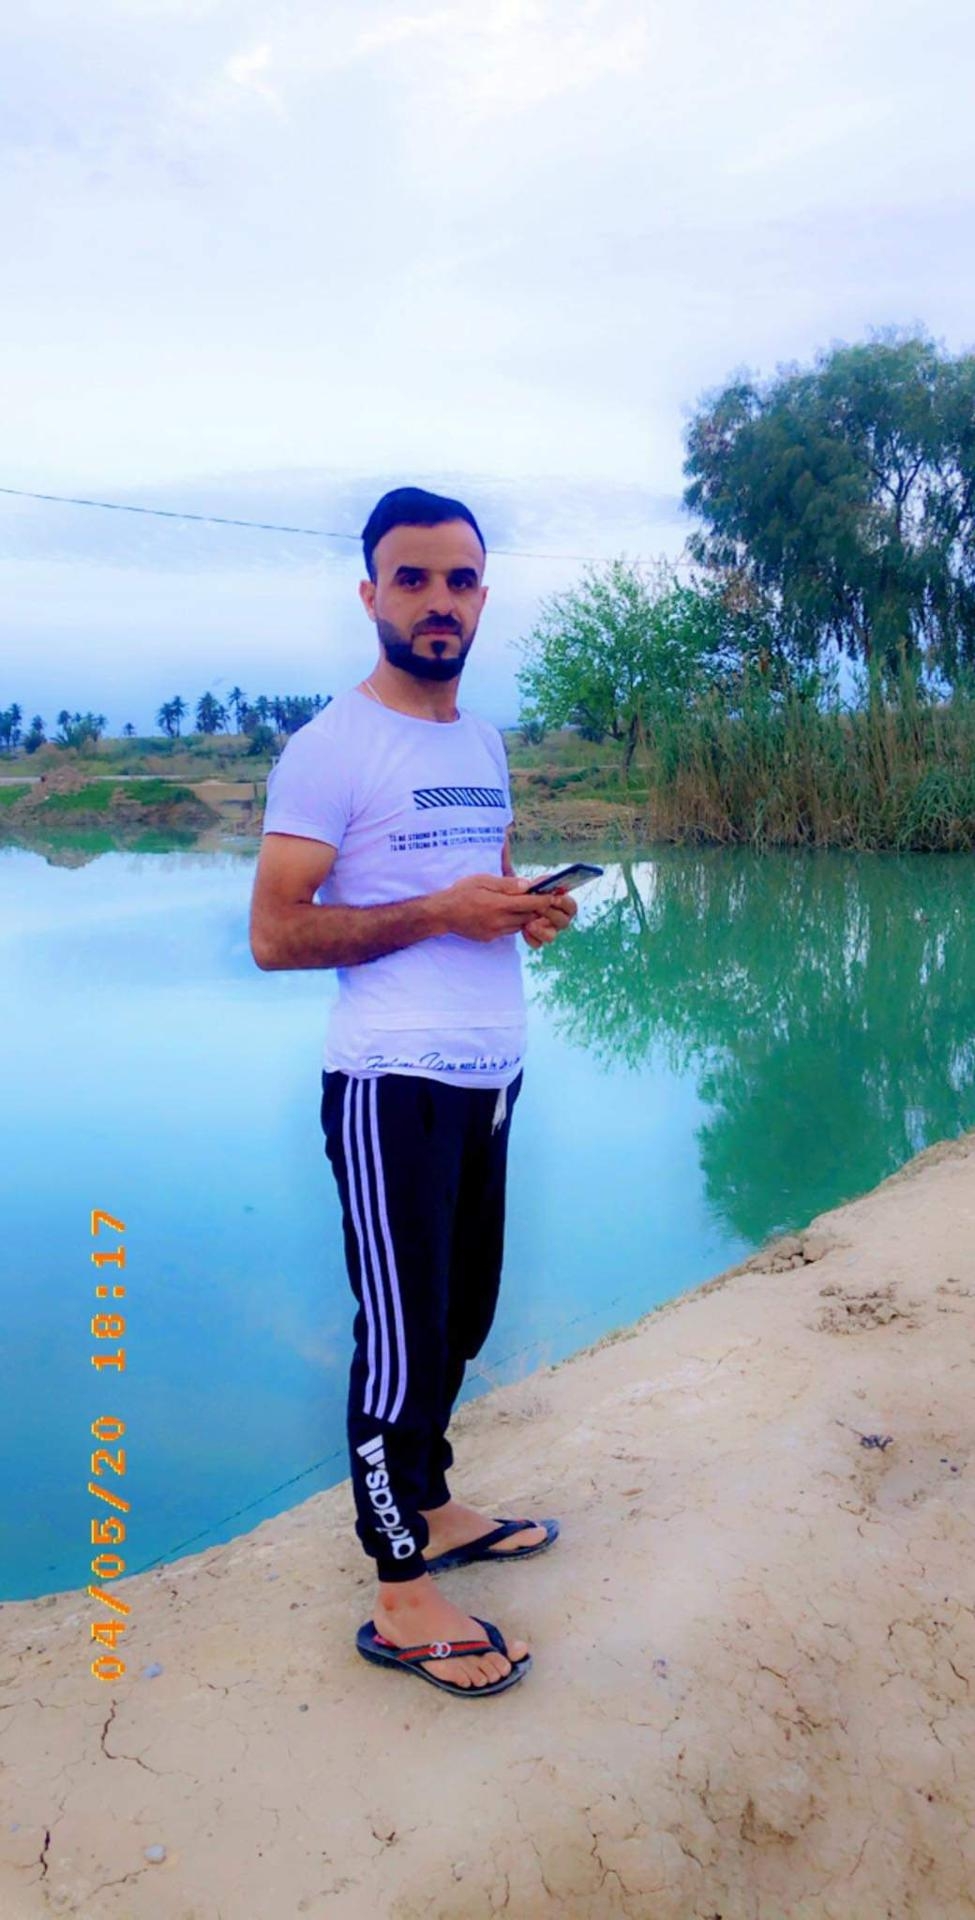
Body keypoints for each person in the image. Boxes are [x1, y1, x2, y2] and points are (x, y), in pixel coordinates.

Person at [248, 485, 577, 1698]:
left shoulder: (480, 742)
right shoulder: (332, 746)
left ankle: (431, 1506)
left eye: (460, 580)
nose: (440, 602)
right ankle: (398, 1596)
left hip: (490, 1073)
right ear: (371, 594)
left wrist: (525, 909)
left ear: (484, 594)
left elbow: (481, 881)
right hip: (392, 1084)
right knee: (398, 1343)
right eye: (414, 579)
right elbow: (276, 935)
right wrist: (443, 912)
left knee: (461, 1318)